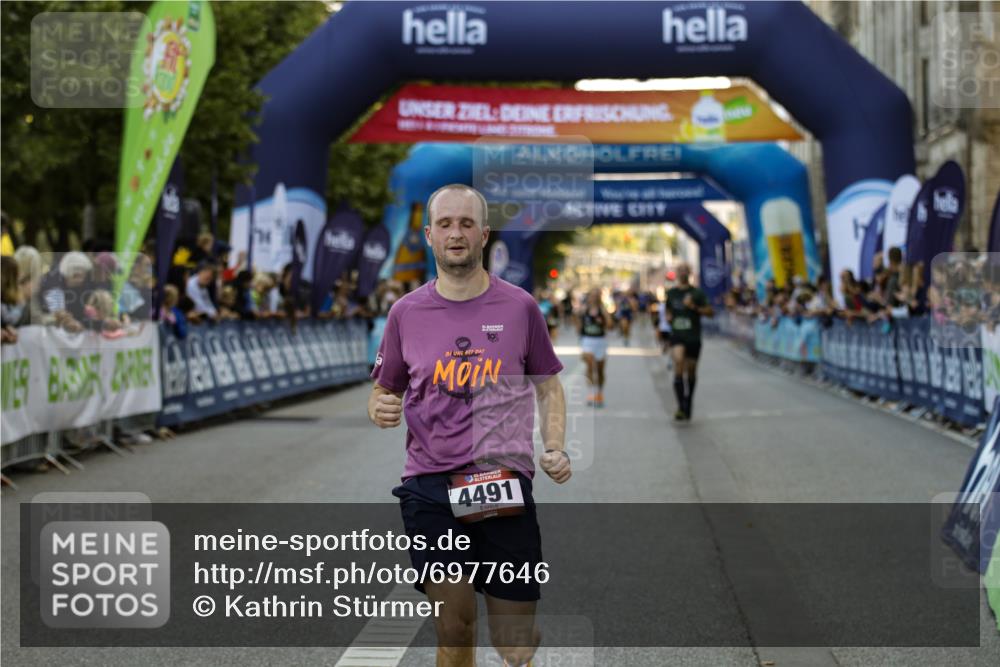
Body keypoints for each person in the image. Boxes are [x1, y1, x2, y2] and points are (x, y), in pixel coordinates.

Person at [369, 183, 569, 667]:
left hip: (501, 479)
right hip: (429, 485)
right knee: (455, 629)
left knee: (514, 644)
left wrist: (556, 445)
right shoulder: (405, 312)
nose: (454, 233)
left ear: (483, 234)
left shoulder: (520, 307)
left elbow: (548, 383)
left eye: (465, 224)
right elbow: (385, 388)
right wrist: (379, 407)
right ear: (428, 236)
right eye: (444, 224)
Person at [664, 263, 713, 420]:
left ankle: (688, 400)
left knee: (691, 371)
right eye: (680, 270)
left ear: (690, 273)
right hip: (677, 335)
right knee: (678, 362)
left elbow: (710, 312)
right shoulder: (671, 293)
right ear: (676, 273)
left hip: (693, 336)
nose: (683, 272)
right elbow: (668, 311)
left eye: (686, 270)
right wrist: (668, 317)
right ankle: (680, 406)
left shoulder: (697, 293)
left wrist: (693, 306)